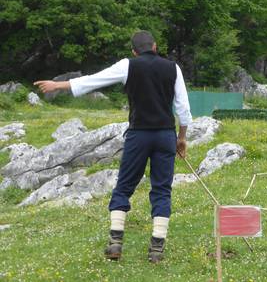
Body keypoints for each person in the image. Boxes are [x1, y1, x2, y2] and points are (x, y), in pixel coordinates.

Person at [34, 31, 192, 264]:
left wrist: (58, 85)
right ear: (155, 46)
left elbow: (94, 79)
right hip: (165, 135)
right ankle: (156, 248)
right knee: (161, 190)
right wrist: (181, 138)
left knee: (124, 186)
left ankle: (115, 242)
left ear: (134, 51)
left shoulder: (128, 65)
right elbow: (183, 108)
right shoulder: (173, 68)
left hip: (139, 134)